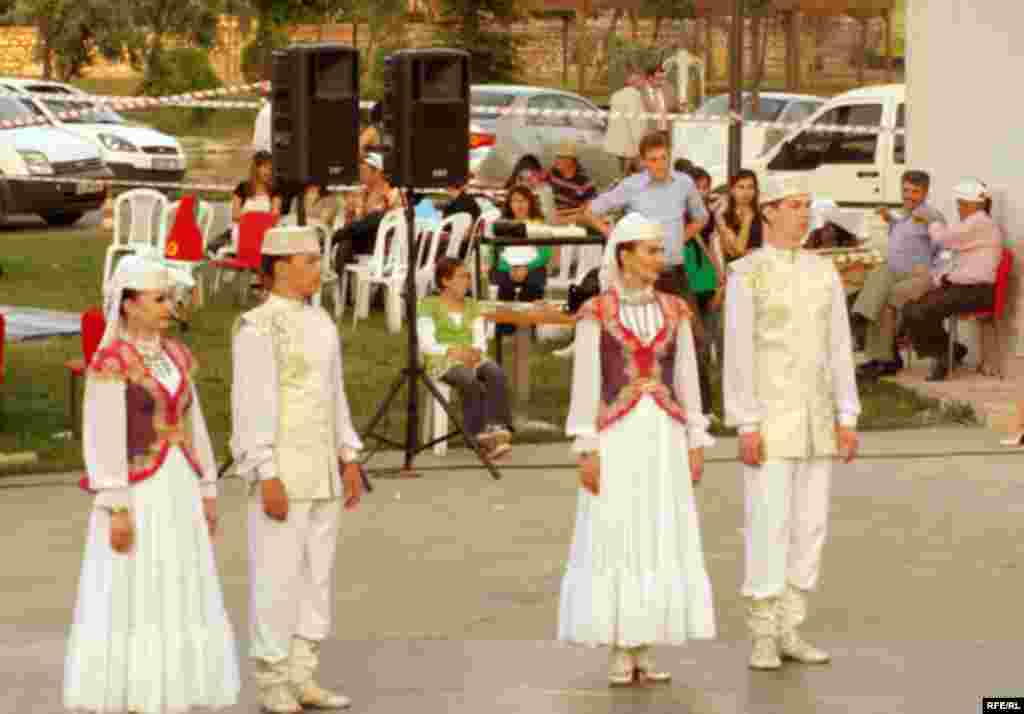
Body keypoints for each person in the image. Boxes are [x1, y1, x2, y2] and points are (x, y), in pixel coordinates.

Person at [64, 255, 240, 714]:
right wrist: (115, 503)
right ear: (127, 305)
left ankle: (172, 689)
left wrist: (207, 486)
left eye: (169, 298)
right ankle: (138, 693)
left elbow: (194, 421)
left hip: (178, 483)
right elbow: (102, 434)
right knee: (138, 582)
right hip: (138, 487)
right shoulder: (112, 360)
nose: (168, 307)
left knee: (177, 578)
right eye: (158, 299)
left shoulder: (177, 355)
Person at [559, 213, 715, 686]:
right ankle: (619, 644)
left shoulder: (676, 310)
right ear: (624, 254)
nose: (658, 258)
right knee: (617, 528)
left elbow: (687, 376)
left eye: (658, 250)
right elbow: (585, 382)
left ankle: (645, 643)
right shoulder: (596, 312)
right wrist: (587, 445)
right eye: (649, 250)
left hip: (663, 434)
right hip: (617, 436)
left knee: (659, 528)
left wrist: (695, 437)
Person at [723, 174, 861, 671]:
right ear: (769, 213)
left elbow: (839, 347)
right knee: (769, 523)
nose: (804, 215)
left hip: (818, 417)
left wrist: (848, 413)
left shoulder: (822, 272)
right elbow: (737, 354)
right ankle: (762, 630)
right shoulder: (747, 273)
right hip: (769, 417)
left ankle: (791, 626)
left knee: (811, 526)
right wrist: (745, 422)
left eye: (807, 206)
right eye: (794, 206)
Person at [230, 225, 365, 713]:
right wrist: (265, 471)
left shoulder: (322, 321)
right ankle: (272, 677)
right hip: (282, 471)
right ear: (281, 267)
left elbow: (336, 396)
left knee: (316, 575)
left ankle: (303, 671)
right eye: (309, 261)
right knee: (276, 575)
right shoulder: (258, 327)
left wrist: (348, 456)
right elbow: (251, 406)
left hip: (322, 470)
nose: (318, 270)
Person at [901, 178, 1004, 382]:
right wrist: (941, 277)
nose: (959, 208)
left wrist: (932, 221)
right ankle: (949, 350)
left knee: (920, 311)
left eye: (960, 204)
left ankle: (943, 356)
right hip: (963, 288)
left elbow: (944, 239)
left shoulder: (980, 222)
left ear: (969, 204)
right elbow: (954, 252)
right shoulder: (973, 222)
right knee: (911, 309)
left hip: (977, 291)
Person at [853, 171, 946, 379]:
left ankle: (883, 357)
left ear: (925, 192)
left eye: (915, 192)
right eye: (905, 190)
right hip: (896, 271)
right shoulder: (904, 214)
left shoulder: (931, 216)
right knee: (879, 274)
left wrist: (934, 275)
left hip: (918, 274)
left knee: (884, 300)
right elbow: (906, 233)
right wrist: (891, 219)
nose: (909, 196)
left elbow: (944, 247)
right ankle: (864, 318)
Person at [418, 257, 513, 459]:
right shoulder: (428, 305)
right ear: (445, 281)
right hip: (441, 359)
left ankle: (496, 427)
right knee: (468, 379)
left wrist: (475, 352)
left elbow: (480, 339)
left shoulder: (472, 305)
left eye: (468, 277)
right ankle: (478, 436)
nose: (467, 281)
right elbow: (426, 343)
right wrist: (453, 351)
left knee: (495, 372)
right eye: (462, 277)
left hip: (471, 356)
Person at [331, 152, 401, 269]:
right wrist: (351, 213)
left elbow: (389, 221)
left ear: (377, 172)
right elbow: (354, 223)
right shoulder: (362, 193)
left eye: (364, 172)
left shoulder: (392, 193)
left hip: (381, 241)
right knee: (348, 240)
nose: (361, 175)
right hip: (361, 239)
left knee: (374, 218)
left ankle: (335, 238)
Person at [491, 185, 552, 306]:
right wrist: (510, 269)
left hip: (533, 269)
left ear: (530, 202)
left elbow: (545, 255)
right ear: (509, 204)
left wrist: (526, 268)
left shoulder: (539, 224)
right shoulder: (500, 225)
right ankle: (505, 323)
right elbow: (494, 255)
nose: (519, 205)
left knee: (531, 292)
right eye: (514, 201)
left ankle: (529, 322)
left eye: (523, 200)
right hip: (507, 269)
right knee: (505, 298)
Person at [603, 64, 649, 176]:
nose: (644, 83)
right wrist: (641, 147)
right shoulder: (635, 96)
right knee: (640, 177)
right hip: (629, 147)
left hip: (614, 145)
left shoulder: (615, 95)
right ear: (636, 81)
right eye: (643, 80)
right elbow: (636, 124)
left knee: (621, 177)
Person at [715, 169, 764, 264]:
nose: (746, 192)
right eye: (741, 187)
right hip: (734, 271)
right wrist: (747, 219)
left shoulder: (762, 214)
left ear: (755, 190)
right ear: (732, 190)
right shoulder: (724, 217)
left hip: (759, 267)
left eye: (750, 187)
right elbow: (734, 251)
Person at [548, 139, 597, 224]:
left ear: (570, 160)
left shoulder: (585, 182)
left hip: (572, 217)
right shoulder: (553, 173)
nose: (556, 161)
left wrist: (562, 214)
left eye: (560, 157)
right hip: (553, 214)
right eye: (557, 157)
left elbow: (588, 208)